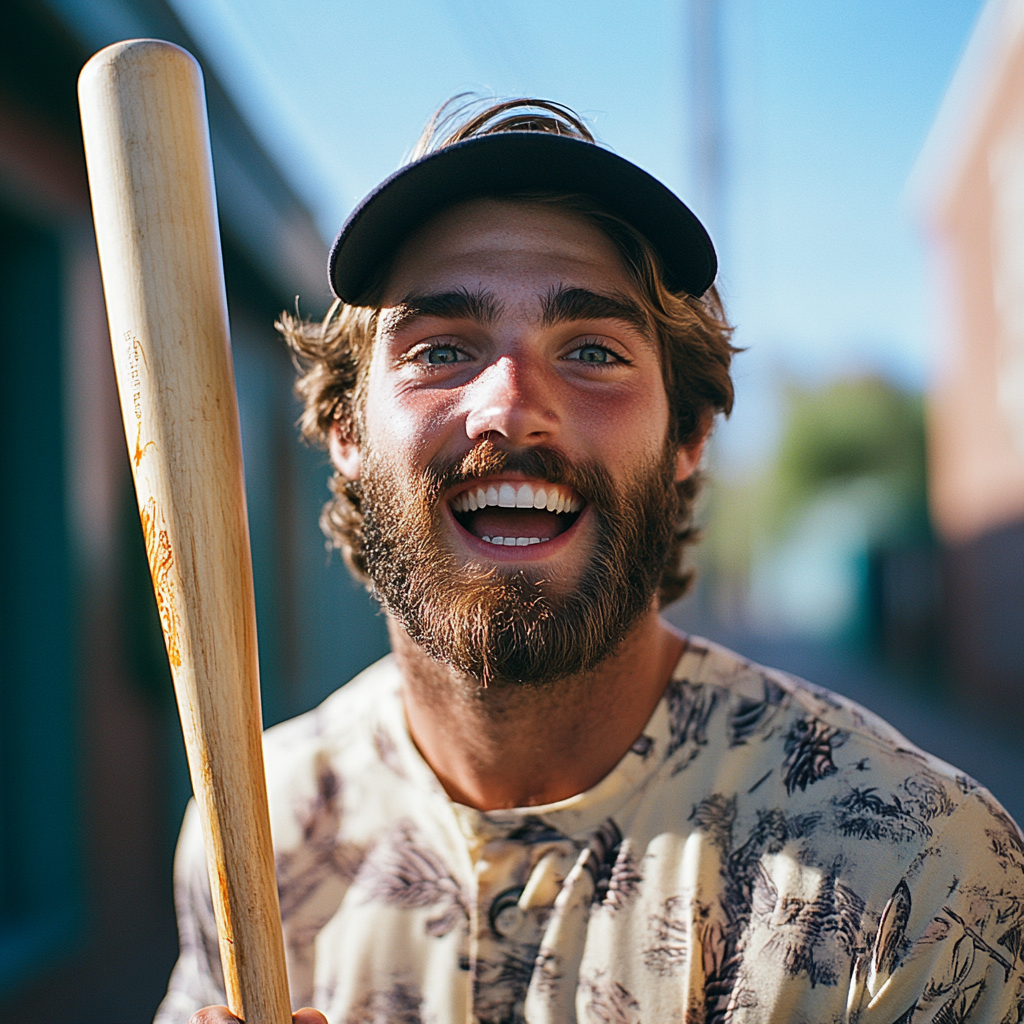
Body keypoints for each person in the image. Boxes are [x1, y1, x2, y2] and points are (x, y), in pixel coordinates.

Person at [162, 99, 1024, 1024]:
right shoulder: (263, 821)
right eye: (442, 350)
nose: (511, 407)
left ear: (687, 434)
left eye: (592, 351)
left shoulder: (917, 875)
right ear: (346, 430)